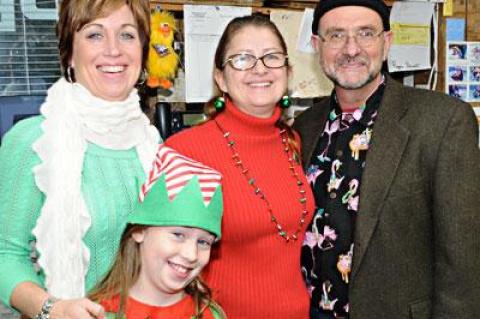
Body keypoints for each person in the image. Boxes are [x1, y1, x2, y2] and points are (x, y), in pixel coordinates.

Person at [294, 0, 480, 318]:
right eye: (336, 35)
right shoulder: (304, 127)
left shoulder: (442, 120)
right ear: (316, 46)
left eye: (366, 33)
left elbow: (462, 261)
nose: (352, 49)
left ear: (387, 41)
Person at [0, 0, 160, 318]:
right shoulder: (34, 141)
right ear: (70, 53)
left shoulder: (153, 144)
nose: (113, 50)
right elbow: (5, 254)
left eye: (127, 35)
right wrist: (52, 309)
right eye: (94, 35)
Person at [165, 14, 315, 318]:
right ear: (220, 78)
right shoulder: (185, 151)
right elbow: (160, 269)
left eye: (271, 57)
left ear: (288, 71)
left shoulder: (294, 142)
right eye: (243, 59)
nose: (260, 68)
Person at [89, 145, 225, 319]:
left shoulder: (209, 315)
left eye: (203, 242)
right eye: (178, 235)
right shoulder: (97, 314)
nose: (191, 255)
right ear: (139, 231)